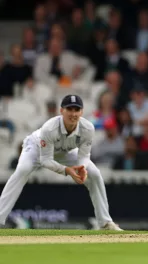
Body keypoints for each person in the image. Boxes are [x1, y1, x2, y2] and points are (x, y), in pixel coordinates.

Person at [0, 95, 122, 230]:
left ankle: (105, 223)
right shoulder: (49, 128)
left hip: (64, 152)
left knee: (94, 173)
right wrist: (66, 170)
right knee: (22, 171)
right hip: (36, 149)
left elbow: (84, 156)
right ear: (61, 111)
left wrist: (83, 168)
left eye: (77, 110)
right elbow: (45, 160)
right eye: (69, 109)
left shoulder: (88, 128)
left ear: (81, 112)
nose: (73, 114)